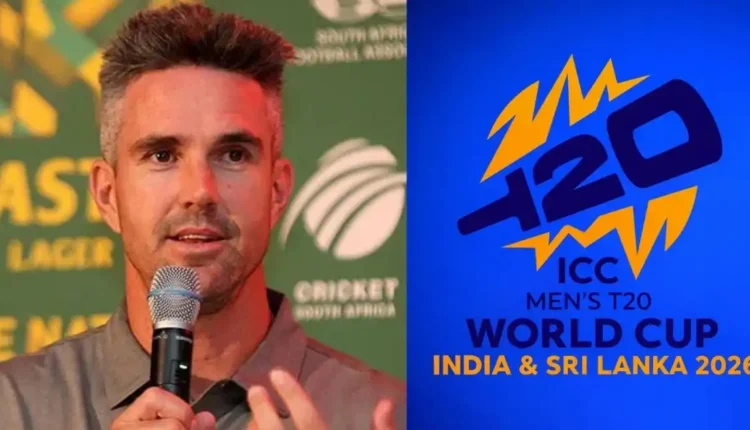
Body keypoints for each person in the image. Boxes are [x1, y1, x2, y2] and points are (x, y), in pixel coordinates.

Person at [0, 4, 405, 429]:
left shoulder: (397, 415)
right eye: (162, 155)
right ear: (108, 195)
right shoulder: (12, 408)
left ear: (277, 190)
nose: (200, 191)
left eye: (233, 155)